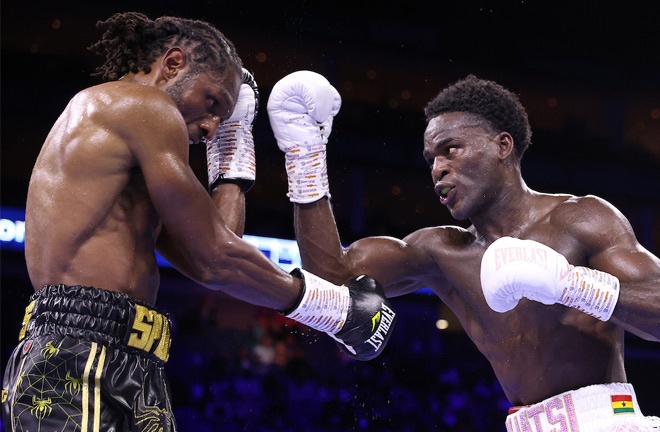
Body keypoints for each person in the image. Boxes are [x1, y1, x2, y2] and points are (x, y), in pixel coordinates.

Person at [0, 13, 397, 432]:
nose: (210, 126)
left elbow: (213, 252)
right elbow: (214, 257)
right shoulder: (141, 106)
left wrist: (233, 146)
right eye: (211, 104)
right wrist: (335, 310)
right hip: (79, 352)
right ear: (173, 63)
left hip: (121, 355)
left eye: (222, 118)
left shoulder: (128, 139)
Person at [267, 71, 660, 431]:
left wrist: (572, 285)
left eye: (450, 149)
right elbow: (332, 280)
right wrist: (306, 160)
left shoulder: (581, 219)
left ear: (502, 145)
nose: (437, 168)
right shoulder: (442, 251)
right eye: (431, 159)